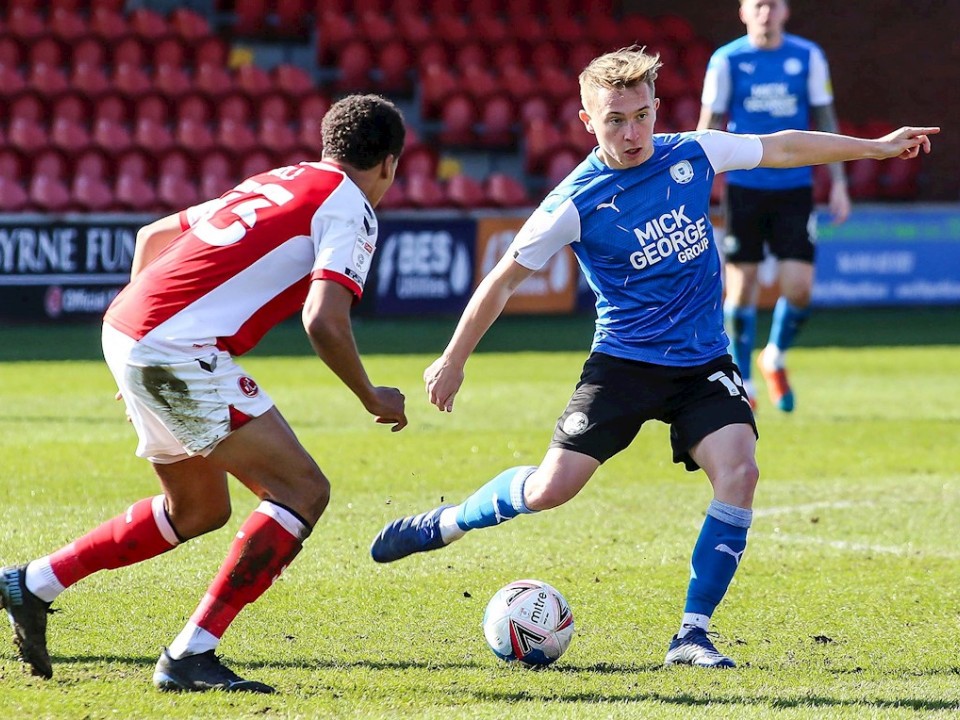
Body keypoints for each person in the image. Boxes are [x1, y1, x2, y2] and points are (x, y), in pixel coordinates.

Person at [369, 46, 937, 668]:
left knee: (740, 473)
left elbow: (781, 147)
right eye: (615, 120)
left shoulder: (693, 153)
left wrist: (875, 147)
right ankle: (447, 523)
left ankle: (691, 635)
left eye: (641, 116)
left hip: (702, 363)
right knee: (551, 488)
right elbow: (503, 279)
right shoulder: (574, 202)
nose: (632, 133)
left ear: (657, 109)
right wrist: (453, 359)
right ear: (587, 121)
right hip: (625, 363)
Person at [0, 94, 408, 693]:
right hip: (172, 350)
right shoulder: (352, 206)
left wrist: (139, 351)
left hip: (130, 330)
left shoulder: (279, 178)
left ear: (328, 145)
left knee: (197, 510)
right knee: (302, 490)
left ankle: (32, 582)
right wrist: (371, 395)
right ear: (390, 164)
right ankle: (190, 655)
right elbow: (323, 320)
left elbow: (152, 235)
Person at [698, 0, 851, 412]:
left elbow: (825, 118)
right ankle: (743, 381)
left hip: (795, 187)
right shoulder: (727, 60)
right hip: (745, 187)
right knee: (741, 286)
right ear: (743, 12)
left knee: (799, 288)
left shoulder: (808, 56)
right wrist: (696, 184)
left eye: (773, 4)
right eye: (758, 5)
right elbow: (709, 124)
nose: (766, 12)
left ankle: (775, 356)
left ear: (785, 11)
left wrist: (838, 182)